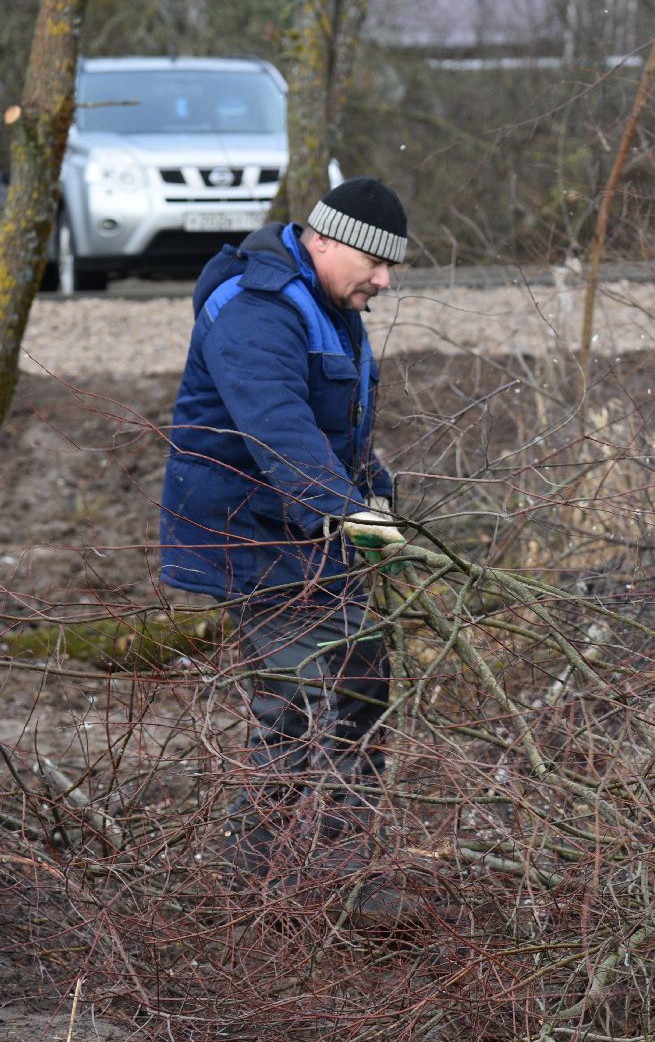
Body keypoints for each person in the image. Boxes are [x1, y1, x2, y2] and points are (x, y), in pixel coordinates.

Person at [158, 177, 413, 879]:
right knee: (306, 699)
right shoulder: (257, 309)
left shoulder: (329, 304)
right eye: (375, 262)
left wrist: (375, 493)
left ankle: (326, 867)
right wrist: (348, 513)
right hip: (248, 535)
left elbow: (334, 429)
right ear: (324, 240)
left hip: (304, 530)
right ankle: (261, 880)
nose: (384, 281)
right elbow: (280, 429)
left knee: (354, 684)